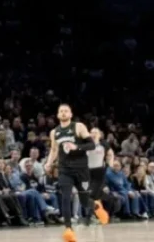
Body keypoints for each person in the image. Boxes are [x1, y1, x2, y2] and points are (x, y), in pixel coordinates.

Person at [44, 104, 107, 242]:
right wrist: (48, 163)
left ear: (71, 114)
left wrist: (76, 146)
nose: (63, 113)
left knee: (84, 201)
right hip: (64, 170)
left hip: (81, 170)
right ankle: (68, 230)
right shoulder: (54, 132)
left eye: (66, 111)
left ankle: (96, 206)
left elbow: (91, 145)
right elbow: (54, 150)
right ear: (58, 115)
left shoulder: (78, 127)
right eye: (61, 111)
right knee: (66, 197)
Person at [87, 128, 113, 224]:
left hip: (99, 172)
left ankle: (89, 217)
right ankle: (100, 213)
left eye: (96, 132)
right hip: (88, 172)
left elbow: (110, 154)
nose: (93, 134)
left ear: (99, 135)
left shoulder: (104, 144)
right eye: (92, 132)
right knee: (96, 196)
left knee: (91, 195)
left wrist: (110, 164)